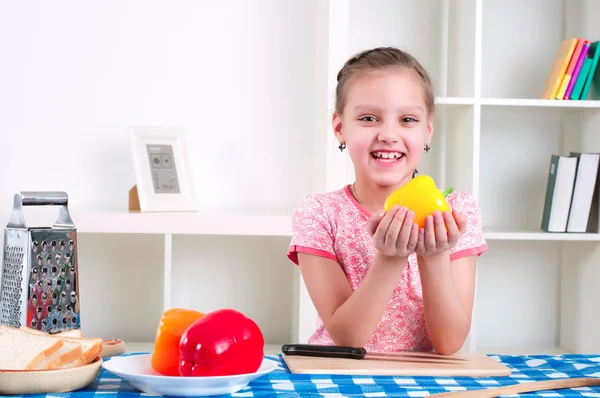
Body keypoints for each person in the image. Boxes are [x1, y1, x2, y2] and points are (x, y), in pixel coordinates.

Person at [287, 47, 488, 355]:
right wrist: (390, 258)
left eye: (407, 119)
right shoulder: (319, 213)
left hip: (425, 380)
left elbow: (449, 343)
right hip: (341, 374)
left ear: (427, 131)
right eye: (369, 118)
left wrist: (433, 256)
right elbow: (347, 338)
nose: (389, 134)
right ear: (340, 128)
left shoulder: (456, 211)